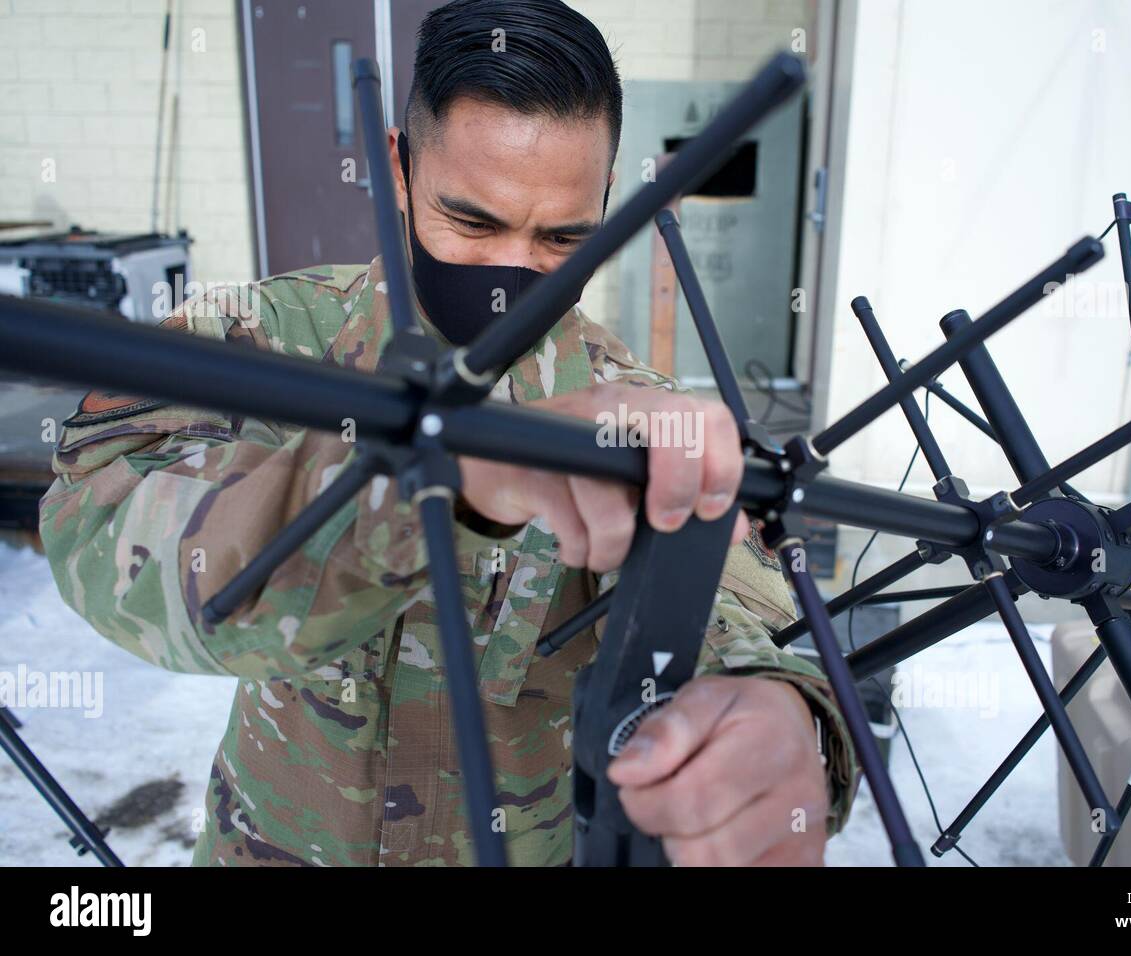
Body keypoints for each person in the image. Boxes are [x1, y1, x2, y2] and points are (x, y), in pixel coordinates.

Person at [38, 0, 856, 867]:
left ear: (608, 205)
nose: (514, 273)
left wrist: (779, 715)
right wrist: (438, 478)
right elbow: (100, 525)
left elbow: (732, 604)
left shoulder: (629, 408)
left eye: (565, 238)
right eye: (473, 222)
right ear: (399, 169)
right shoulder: (264, 339)